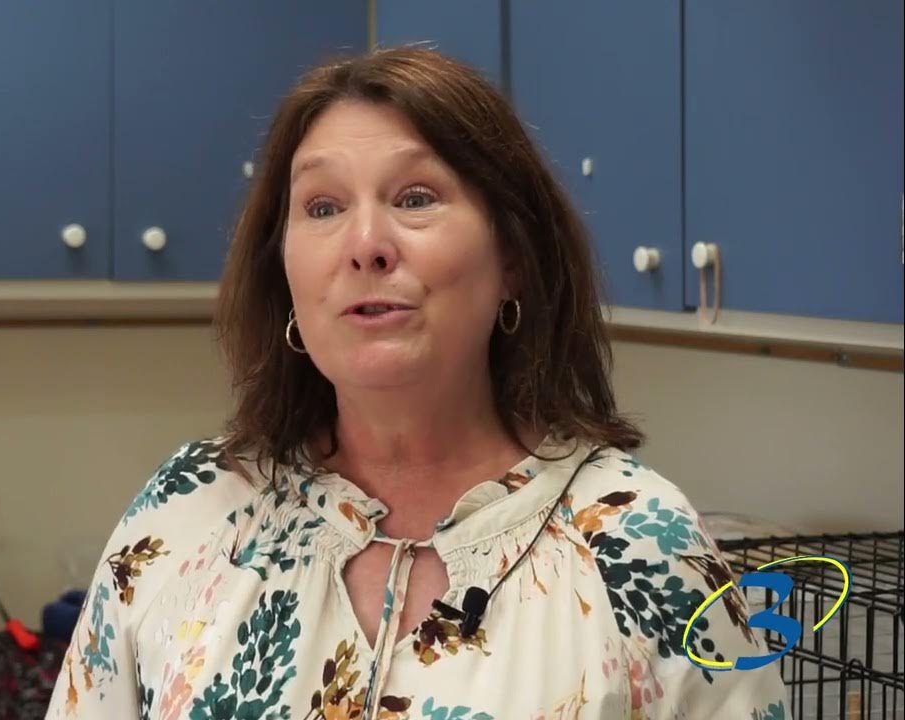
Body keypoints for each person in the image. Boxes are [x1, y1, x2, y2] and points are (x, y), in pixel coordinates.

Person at [46, 47, 787, 719]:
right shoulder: (185, 518)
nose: (366, 245)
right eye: (324, 207)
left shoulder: (640, 542)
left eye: (416, 198)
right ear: (285, 270)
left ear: (515, 256)